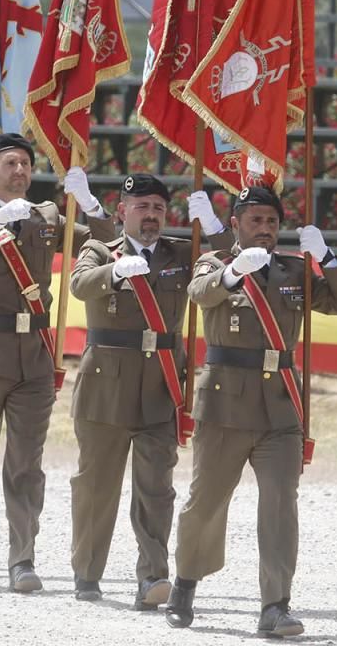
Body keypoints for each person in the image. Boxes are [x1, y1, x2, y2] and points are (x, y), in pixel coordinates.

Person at [166, 186, 337, 637]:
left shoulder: (294, 271)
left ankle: (275, 605)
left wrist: (329, 258)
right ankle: (185, 582)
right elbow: (199, 294)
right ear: (235, 224)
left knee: (280, 505)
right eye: (255, 221)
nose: (265, 230)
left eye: (272, 222)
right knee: (206, 501)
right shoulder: (215, 262)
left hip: (280, 408)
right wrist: (235, 271)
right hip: (224, 404)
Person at [0, 133, 116, 593]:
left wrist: (91, 206)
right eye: (10, 163)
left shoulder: (48, 216)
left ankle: (22, 558)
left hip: (33, 357)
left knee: (26, 463)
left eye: (25, 164)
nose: (20, 171)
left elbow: (108, 246)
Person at [67, 174, 232, 608]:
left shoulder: (181, 252)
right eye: (142, 207)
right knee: (96, 487)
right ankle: (87, 573)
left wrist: (213, 225)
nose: (152, 215)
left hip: (160, 386)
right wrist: (114, 272)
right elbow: (79, 284)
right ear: (122, 211)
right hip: (105, 386)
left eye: (159, 208)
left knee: (156, 490)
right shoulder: (101, 250)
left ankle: (153, 576)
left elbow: (226, 257)